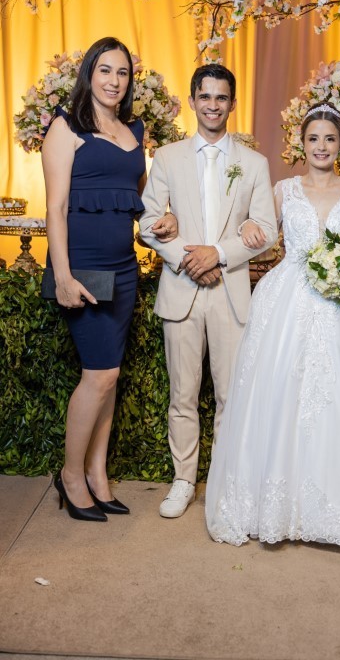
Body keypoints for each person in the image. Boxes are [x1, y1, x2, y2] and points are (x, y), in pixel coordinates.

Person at [205, 103, 340, 546]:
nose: (321, 146)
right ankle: (274, 503)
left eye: (330, 139)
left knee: (339, 394)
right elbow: (260, 233)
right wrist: (244, 229)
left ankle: (338, 507)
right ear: (301, 144)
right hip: (286, 299)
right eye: (313, 139)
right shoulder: (283, 190)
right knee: (279, 393)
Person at [43, 36, 176, 522]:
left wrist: (163, 220)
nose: (114, 80)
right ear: (89, 74)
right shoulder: (65, 127)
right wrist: (62, 275)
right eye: (105, 70)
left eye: (122, 72)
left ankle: (97, 475)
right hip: (83, 266)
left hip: (123, 267)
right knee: (98, 375)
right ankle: (70, 475)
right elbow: (55, 207)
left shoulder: (134, 130)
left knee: (110, 376)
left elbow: (138, 200)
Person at [139, 63, 278, 520]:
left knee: (231, 396)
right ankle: (183, 480)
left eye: (221, 98)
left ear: (232, 104)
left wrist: (216, 254)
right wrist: (187, 258)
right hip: (182, 288)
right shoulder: (168, 157)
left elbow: (267, 231)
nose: (213, 105)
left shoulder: (253, 163)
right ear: (193, 100)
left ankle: (224, 480)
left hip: (231, 293)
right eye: (205, 96)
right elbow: (148, 223)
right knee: (183, 395)